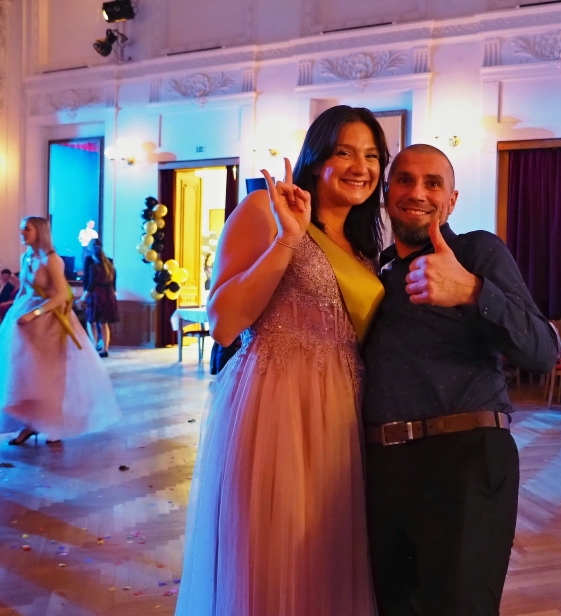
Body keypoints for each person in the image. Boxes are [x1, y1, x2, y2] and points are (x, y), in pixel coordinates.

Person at [175, 106, 388, 616]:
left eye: (372, 156)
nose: (360, 167)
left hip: (343, 411)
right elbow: (224, 323)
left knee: (325, 556)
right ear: (317, 159)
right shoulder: (264, 210)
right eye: (345, 152)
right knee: (276, 553)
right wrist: (287, 239)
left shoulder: (364, 245)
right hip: (277, 405)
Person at [362, 144, 558, 616]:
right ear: (387, 194)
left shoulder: (476, 251)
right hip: (382, 468)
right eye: (404, 180)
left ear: (451, 201)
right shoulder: (372, 271)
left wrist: (471, 290)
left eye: (433, 183)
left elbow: (542, 352)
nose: (417, 192)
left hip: (465, 459)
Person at [0, 216, 120, 445]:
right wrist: (14, 313)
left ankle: (51, 423)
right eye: (22, 228)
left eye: (27, 229)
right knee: (25, 374)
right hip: (24, 320)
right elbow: (24, 289)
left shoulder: (52, 260)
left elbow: (63, 294)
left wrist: (34, 313)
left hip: (49, 322)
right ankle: (30, 423)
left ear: (40, 232)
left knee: (49, 375)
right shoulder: (26, 257)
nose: (22, 232)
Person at [81, 239, 119, 357]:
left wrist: (84, 296)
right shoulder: (110, 263)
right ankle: (105, 349)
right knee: (104, 323)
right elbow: (114, 281)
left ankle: (94, 345)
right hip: (109, 294)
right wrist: (113, 291)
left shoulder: (92, 264)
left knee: (90, 320)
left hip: (96, 295)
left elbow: (89, 282)